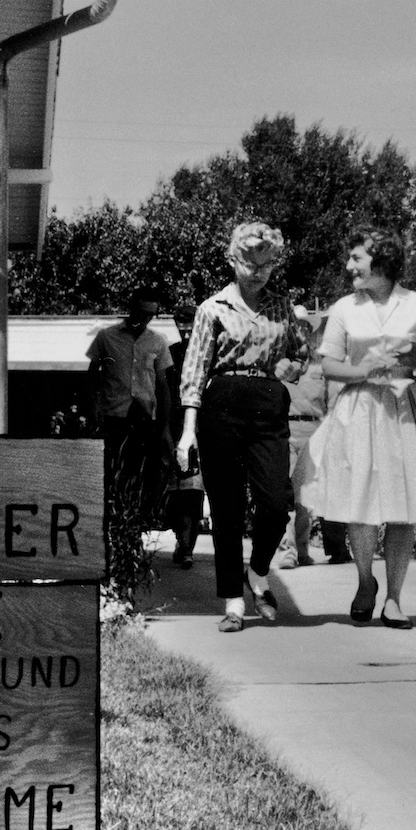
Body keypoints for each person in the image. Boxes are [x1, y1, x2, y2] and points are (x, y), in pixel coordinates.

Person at [296, 227, 416, 628]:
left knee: (403, 510)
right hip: (360, 407)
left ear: (381, 260)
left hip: (404, 410)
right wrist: (360, 369)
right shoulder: (345, 308)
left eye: (357, 258)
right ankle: (366, 581)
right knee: (361, 504)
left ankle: (395, 598)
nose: (349, 266)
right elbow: (328, 363)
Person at [174, 221, 310, 633]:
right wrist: (186, 432)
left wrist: (294, 365)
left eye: (267, 263)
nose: (258, 270)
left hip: (267, 405)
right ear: (234, 260)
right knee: (227, 510)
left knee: (276, 503)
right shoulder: (211, 309)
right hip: (221, 406)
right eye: (250, 261)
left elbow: (302, 354)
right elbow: (194, 371)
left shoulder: (283, 307)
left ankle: (259, 570)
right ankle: (234, 601)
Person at [87, 286, 174, 544]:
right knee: (112, 478)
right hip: (115, 419)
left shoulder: (157, 342)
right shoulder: (106, 337)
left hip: (145, 421)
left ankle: (133, 535)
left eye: (152, 315)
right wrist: (93, 415)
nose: (146, 319)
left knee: (142, 479)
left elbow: (163, 388)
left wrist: (166, 428)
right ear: (132, 307)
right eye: (142, 312)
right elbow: (92, 380)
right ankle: (109, 536)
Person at [279, 307, 351, 569]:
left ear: (310, 331)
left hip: (316, 433)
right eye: (295, 326)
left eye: (304, 327)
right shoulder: (278, 365)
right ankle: (292, 551)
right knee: (287, 497)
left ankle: (310, 550)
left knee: (310, 497)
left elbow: (334, 403)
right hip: (284, 433)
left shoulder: (323, 366)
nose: (300, 331)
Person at [163, 324, 205, 569]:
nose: (187, 334)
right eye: (183, 328)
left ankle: (188, 545)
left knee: (194, 493)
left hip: (202, 431)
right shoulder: (170, 353)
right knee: (180, 493)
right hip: (177, 429)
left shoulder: (205, 353)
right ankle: (183, 543)